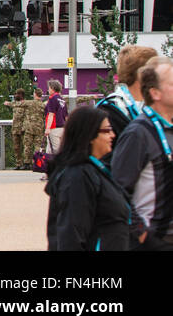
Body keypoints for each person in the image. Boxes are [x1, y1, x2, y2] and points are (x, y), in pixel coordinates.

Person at [44, 105, 130, 251]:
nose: (113, 135)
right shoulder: (78, 176)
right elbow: (71, 236)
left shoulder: (97, 169)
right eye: (107, 130)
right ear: (90, 135)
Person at [112, 55, 173, 250]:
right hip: (154, 241)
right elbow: (118, 191)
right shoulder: (138, 133)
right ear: (155, 93)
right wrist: (142, 235)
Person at [98, 44, 157, 144]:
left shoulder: (151, 106)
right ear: (141, 74)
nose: (158, 75)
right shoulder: (110, 109)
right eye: (155, 70)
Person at [44, 79, 68, 155]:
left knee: (55, 150)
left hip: (54, 127)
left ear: (53, 88)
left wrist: (47, 128)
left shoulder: (52, 99)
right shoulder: (62, 99)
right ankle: (49, 165)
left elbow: (51, 114)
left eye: (49, 88)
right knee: (54, 149)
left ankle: (58, 166)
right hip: (62, 127)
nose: (48, 90)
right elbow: (66, 116)